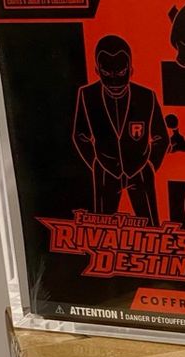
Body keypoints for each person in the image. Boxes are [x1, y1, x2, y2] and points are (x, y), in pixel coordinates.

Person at [72, 35, 168, 222]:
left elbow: (161, 137)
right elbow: (80, 134)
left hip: (140, 170)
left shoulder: (147, 96)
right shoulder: (87, 95)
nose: (115, 81)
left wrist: (149, 165)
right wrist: (97, 163)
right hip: (105, 172)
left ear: (131, 70)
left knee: (152, 230)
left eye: (121, 72)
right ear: (97, 71)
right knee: (102, 230)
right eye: (107, 73)